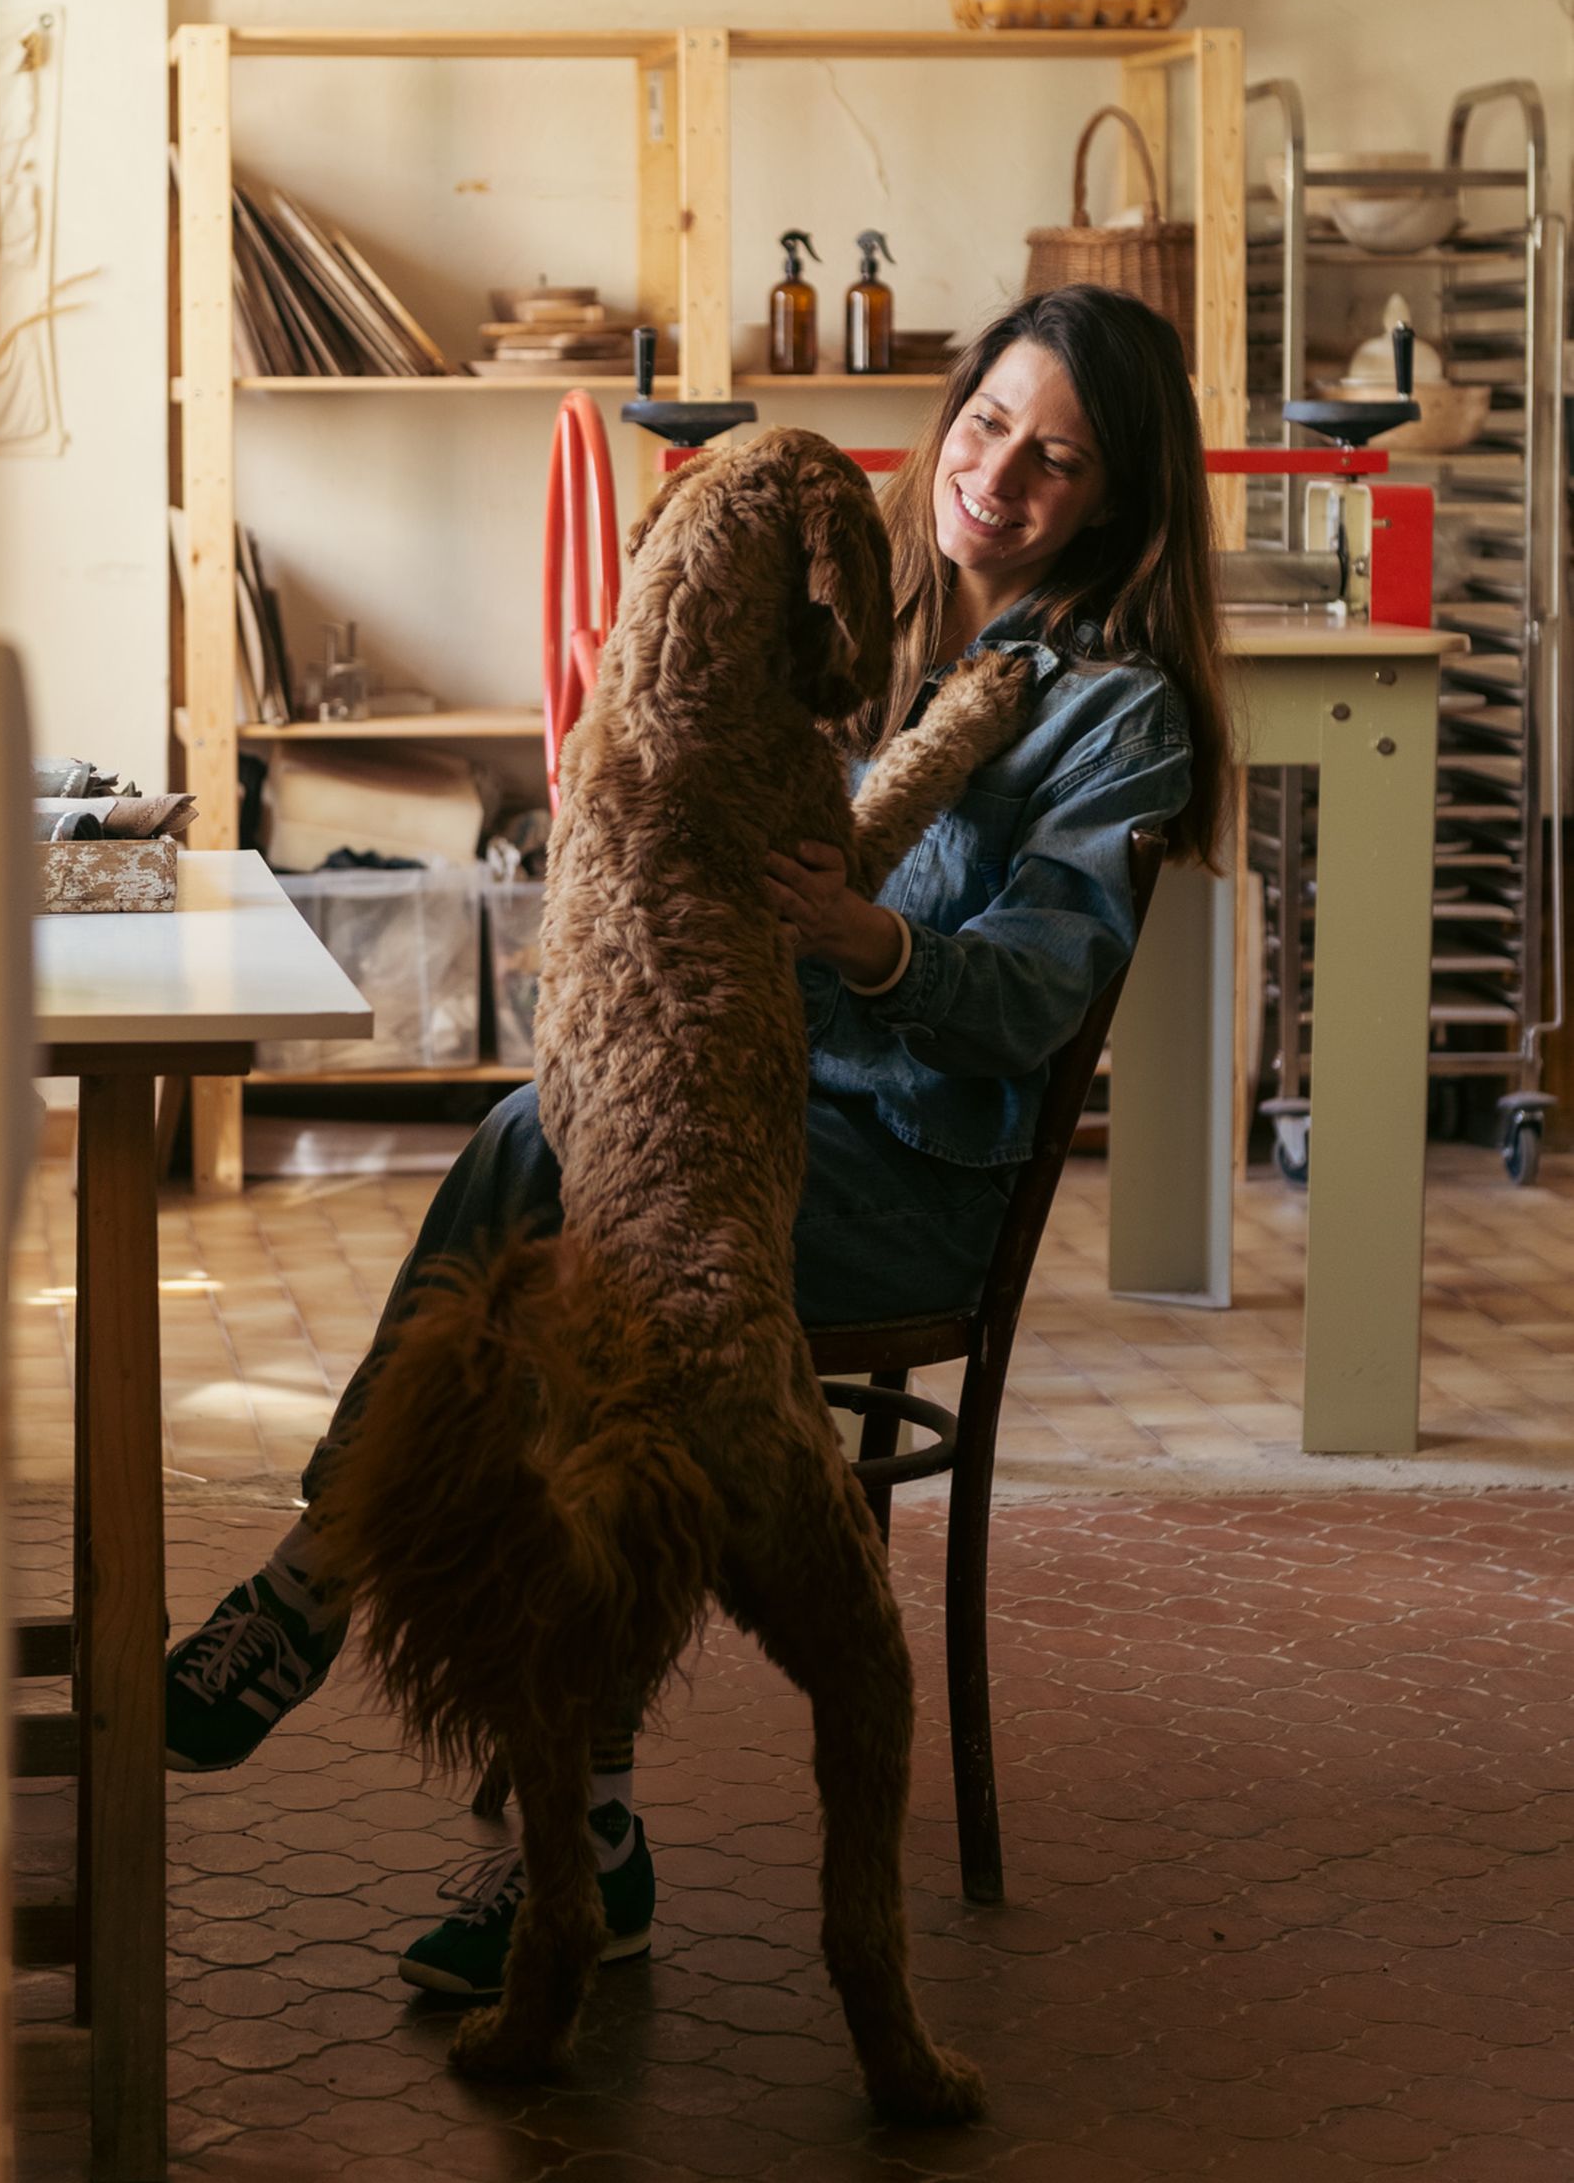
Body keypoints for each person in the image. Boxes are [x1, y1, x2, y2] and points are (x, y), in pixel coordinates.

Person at [161, 281, 1229, 1996]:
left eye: (1059, 461)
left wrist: (870, 941)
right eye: (985, 427)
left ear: (1117, 499)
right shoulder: (843, 596)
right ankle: (558, 1813)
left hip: (896, 1178)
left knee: (571, 1234)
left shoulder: (1120, 714)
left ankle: (349, 1602)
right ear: (946, 416)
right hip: (742, 1115)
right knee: (557, 1173)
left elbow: (1037, 998)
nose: (1000, 479)